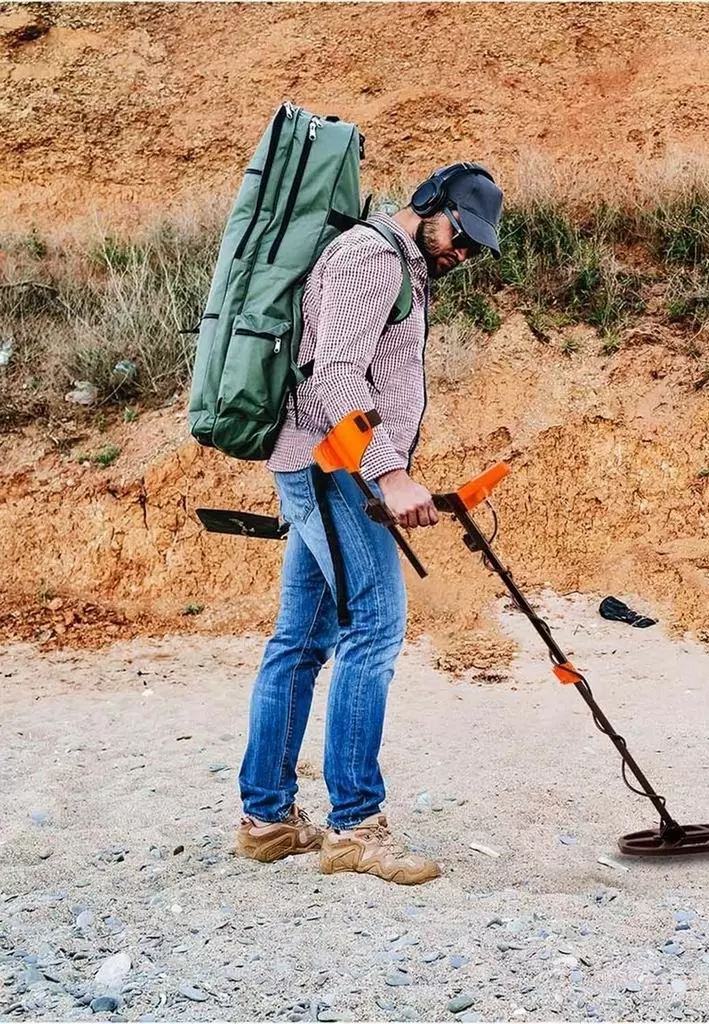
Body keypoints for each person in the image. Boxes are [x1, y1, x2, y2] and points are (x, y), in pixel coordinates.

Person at [234, 163, 503, 884]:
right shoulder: (371, 257)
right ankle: (353, 826)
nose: (464, 253)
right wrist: (388, 471)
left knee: (302, 639)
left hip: (330, 467)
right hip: (334, 471)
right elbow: (334, 378)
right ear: (431, 207)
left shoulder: (399, 266)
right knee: (374, 629)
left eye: (475, 247)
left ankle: (266, 819)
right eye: (461, 235)